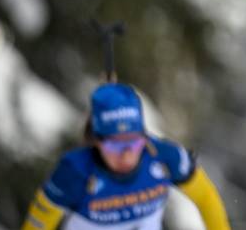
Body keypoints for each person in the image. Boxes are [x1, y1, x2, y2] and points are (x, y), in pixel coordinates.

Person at [21, 83, 232, 230]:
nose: (126, 154)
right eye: (115, 145)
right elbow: (38, 224)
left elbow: (206, 198)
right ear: (97, 141)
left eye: (134, 142)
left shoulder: (166, 157)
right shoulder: (74, 171)